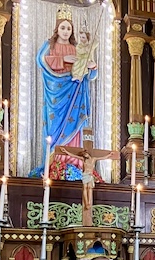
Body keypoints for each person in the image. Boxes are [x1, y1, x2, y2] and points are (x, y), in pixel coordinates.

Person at [37, 9, 97, 169]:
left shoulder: (78, 48)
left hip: (75, 91)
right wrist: (62, 59)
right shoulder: (48, 45)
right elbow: (41, 61)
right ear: (57, 29)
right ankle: (54, 163)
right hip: (55, 92)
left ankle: (74, 163)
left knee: (76, 123)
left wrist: (92, 67)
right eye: (63, 27)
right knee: (55, 126)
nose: (65, 31)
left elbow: (90, 74)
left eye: (69, 28)